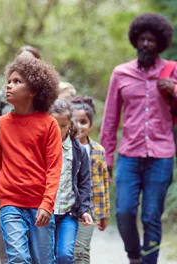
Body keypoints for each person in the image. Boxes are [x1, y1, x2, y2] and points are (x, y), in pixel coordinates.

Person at [101, 13, 176, 264]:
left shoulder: (172, 71)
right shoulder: (120, 73)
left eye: (151, 40)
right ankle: (134, 256)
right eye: (142, 39)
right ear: (135, 40)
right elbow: (111, 119)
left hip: (161, 156)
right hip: (129, 155)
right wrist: (107, 157)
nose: (146, 44)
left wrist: (173, 90)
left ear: (160, 43)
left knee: (152, 216)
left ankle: (149, 261)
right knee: (124, 211)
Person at [0, 55, 62, 264]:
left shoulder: (49, 124)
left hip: (40, 204)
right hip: (11, 204)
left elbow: (54, 168)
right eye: (9, 81)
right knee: (18, 258)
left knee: (44, 260)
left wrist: (47, 204)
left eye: (17, 81)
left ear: (34, 90)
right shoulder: (0, 125)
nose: (9, 86)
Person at [0, 44, 42, 264]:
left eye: (29, 61)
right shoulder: (2, 97)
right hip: (8, 171)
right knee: (10, 237)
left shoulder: (43, 101)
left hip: (35, 178)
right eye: (19, 60)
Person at [51, 99, 93, 264]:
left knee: (65, 255)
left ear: (70, 125)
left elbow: (84, 183)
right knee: (47, 256)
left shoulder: (79, 151)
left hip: (69, 213)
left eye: (63, 126)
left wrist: (84, 209)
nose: (58, 130)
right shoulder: (40, 147)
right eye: (54, 124)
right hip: (46, 213)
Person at [71, 96, 110, 264]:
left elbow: (103, 183)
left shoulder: (98, 151)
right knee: (65, 251)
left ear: (90, 125)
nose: (79, 126)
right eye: (75, 121)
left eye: (83, 122)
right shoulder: (63, 148)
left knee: (81, 251)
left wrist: (104, 213)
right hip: (68, 208)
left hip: (90, 209)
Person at [0, 45, 41, 116]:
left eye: (29, 61)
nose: (24, 65)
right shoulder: (0, 98)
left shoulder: (45, 98)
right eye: (20, 61)